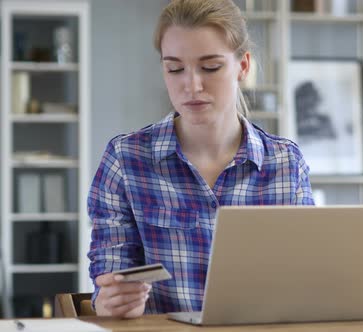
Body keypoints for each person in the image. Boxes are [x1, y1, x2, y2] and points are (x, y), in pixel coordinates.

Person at [87, 0, 315, 318]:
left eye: (210, 67)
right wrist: (110, 301)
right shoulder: (126, 161)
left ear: (243, 67)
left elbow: (307, 279)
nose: (192, 85)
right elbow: (109, 279)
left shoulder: (285, 164)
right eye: (175, 68)